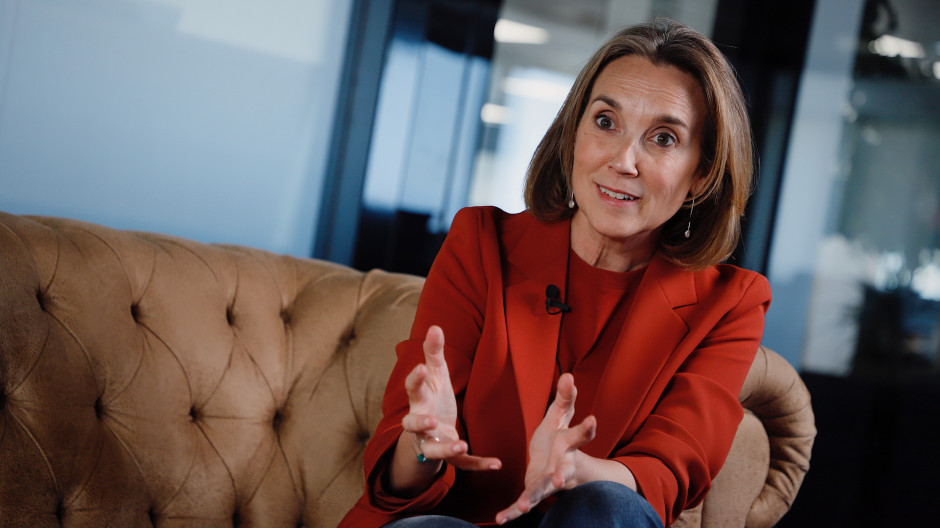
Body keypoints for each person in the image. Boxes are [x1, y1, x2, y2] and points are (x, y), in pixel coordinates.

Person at [339, 18, 770, 528]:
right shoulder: (480, 244)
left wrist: (578, 471)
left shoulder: (731, 303)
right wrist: (423, 444)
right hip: (453, 520)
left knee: (606, 504)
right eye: (605, 122)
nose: (622, 161)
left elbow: (671, 470)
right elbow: (394, 489)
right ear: (573, 136)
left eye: (663, 138)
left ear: (702, 173)